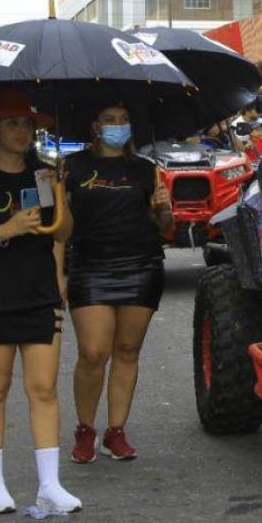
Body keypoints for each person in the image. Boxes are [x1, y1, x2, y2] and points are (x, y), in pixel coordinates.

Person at [0, 88, 80, 515]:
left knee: (43, 388)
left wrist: (61, 195)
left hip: (40, 294)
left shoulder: (45, 175)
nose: (23, 131)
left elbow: (61, 233)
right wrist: (6, 230)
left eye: (28, 123)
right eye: (13, 124)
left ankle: (50, 485)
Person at [66, 104, 172, 463]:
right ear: (95, 125)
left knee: (127, 350)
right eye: (109, 119)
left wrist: (164, 208)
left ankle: (116, 431)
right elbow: (59, 229)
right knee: (93, 353)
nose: (117, 125)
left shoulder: (146, 170)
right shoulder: (71, 168)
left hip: (141, 265)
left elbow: (164, 228)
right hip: (89, 266)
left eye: (124, 119)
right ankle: (85, 429)